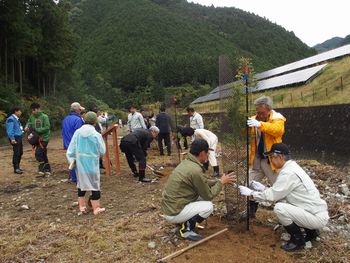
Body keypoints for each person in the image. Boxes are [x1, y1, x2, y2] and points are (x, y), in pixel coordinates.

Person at [238, 143, 329, 252]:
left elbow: (273, 196)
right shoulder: (292, 167)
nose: (270, 160)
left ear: (280, 157)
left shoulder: (288, 173)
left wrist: (251, 193)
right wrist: (263, 189)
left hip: (316, 217)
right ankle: (311, 232)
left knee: (280, 208)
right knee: (283, 202)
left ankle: (297, 239)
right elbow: (281, 192)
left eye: (272, 157)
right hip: (314, 211)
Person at [161, 139, 235, 241]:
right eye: (207, 153)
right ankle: (186, 230)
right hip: (173, 212)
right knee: (208, 206)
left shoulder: (187, 163)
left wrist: (218, 180)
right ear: (201, 153)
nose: (208, 155)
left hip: (171, 206)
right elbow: (208, 195)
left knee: (201, 198)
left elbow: (203, 182)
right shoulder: (195, 170)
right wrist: (221, 183)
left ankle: (183, 221)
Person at [243, 95, 286, 219]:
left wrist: (260, 125)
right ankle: (251, 211)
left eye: (261, 112)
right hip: (257, 159)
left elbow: (277, 131)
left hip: (272, 162)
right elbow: (245, 133)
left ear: (268, 109)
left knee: (280, 187)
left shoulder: (277, 118)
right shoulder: (254, 119)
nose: (259, 115)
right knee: (249, 183)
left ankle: (287, 215)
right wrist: (245, 126)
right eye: (257, 112)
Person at [66, 111, 106, 215]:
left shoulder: (77, 133)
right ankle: (96, 208)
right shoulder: (96, 134)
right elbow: (102, 150)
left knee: (81, 184)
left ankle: (82, 207)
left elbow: (71, 149)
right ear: (94, 122)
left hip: (80, 163)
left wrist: (72, 161)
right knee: (94, 185)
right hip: (92, 163)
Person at [25, 103, 51, 176]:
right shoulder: (32, 116)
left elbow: (47, 127)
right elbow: (29, 122)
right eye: (32, 110)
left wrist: (36, 130)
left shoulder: (44, 117)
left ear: (38, 109)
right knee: (43, 153)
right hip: (36, 138)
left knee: (38, 153)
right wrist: (27, 127)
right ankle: (47, 169)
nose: (33, 111)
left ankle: (41, 169)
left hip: (44, 138)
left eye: (34, 110)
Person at [62, 102, 85, 183]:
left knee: (71, 160)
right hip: (75, 143)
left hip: (67, 143)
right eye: (80, 110)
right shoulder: (78, 119)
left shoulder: (65, 119)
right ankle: (77, 179)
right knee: (78, 161)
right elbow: (79, 133)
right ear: (77, 110)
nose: (80, 111)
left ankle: (73, 178)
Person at [5, 106, 24, 174]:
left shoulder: (16, 119)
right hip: (15, 138)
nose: (20, 112)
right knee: (16, 153)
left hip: (19, 137)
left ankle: (18, 167)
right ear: (16, 112)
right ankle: (16, 168)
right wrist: (12, 139)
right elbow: (10, 131)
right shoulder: (11, 119)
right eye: (19, 111)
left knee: (20, 152)